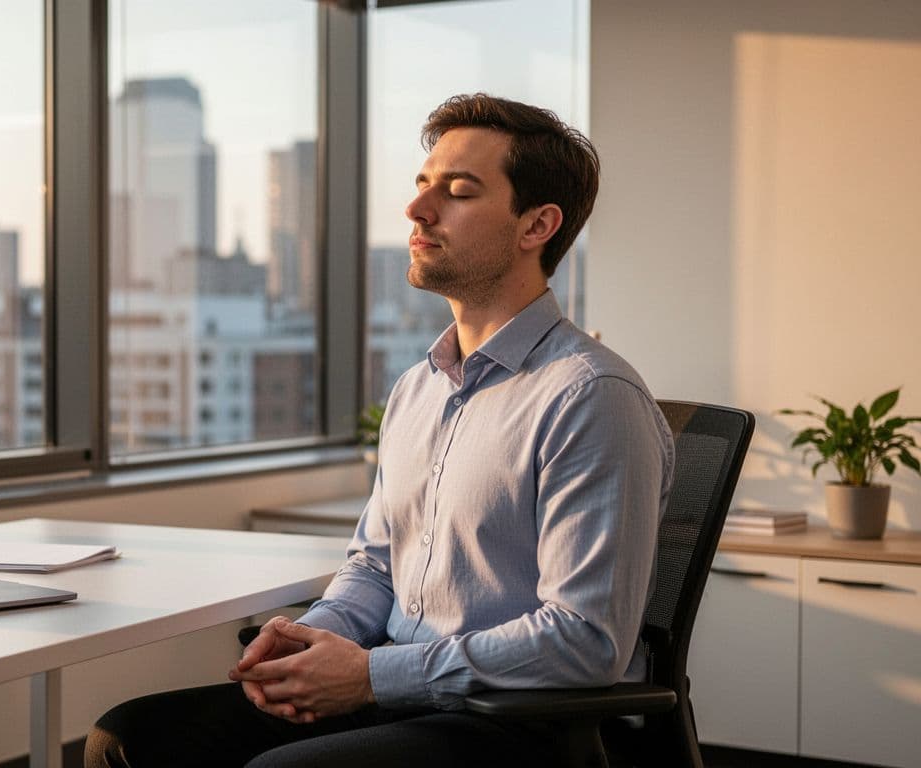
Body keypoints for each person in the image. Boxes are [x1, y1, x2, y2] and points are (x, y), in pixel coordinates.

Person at [85, 93, 674, 768]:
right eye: (423, 186)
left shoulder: (592, 398)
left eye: (457, 192)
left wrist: (369, 676)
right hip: (394, 693)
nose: (417, 211)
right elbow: (376, 563)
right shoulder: (418, 387)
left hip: (512, 721)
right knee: (125, 739)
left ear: (537, 225)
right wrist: (313, 640)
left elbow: (584, 641)